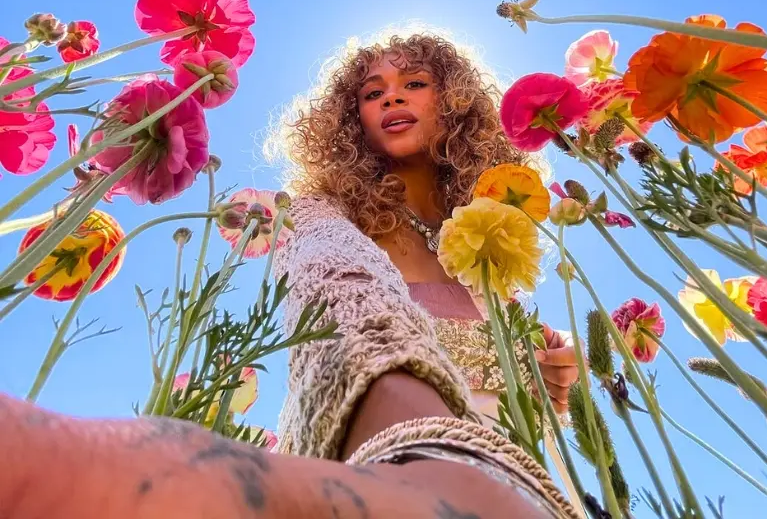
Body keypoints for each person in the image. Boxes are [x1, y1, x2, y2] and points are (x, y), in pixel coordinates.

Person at [0, 31, 580, 518]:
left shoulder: (490, 233)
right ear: (351, 120)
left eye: (415, 84)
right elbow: (349, 312)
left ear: (454, 102)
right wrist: (428, 463)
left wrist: (544, 368)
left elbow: (509, 381)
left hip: (524, 473)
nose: (390, 99)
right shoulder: (318, 219)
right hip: (387, 465)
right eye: (372, 93)